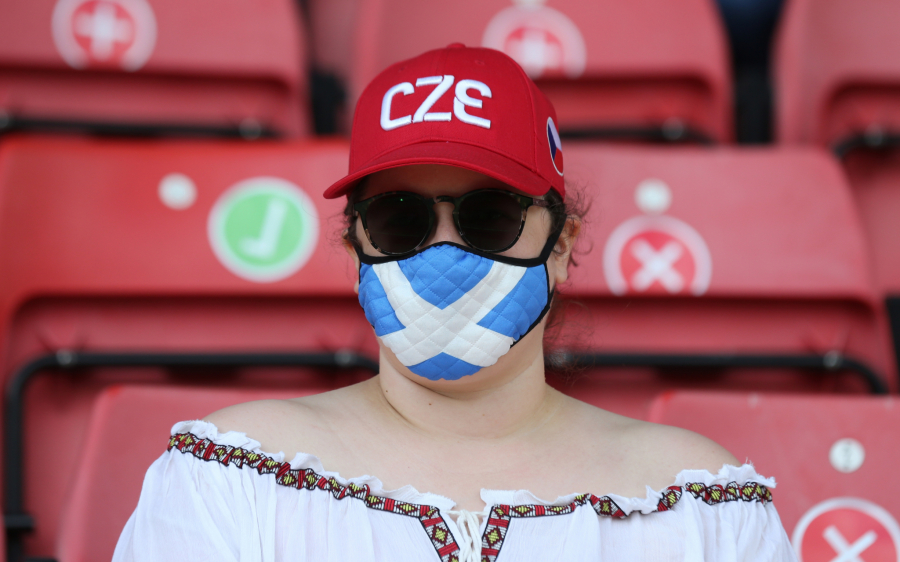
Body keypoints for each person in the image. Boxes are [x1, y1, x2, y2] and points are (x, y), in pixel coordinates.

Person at [113, 44, 796, 562]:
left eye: (489, 216)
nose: (443, 252)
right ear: (355, 246)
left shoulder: (701, 501)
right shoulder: (226, 476)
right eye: (399, 219)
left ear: (561, 245)